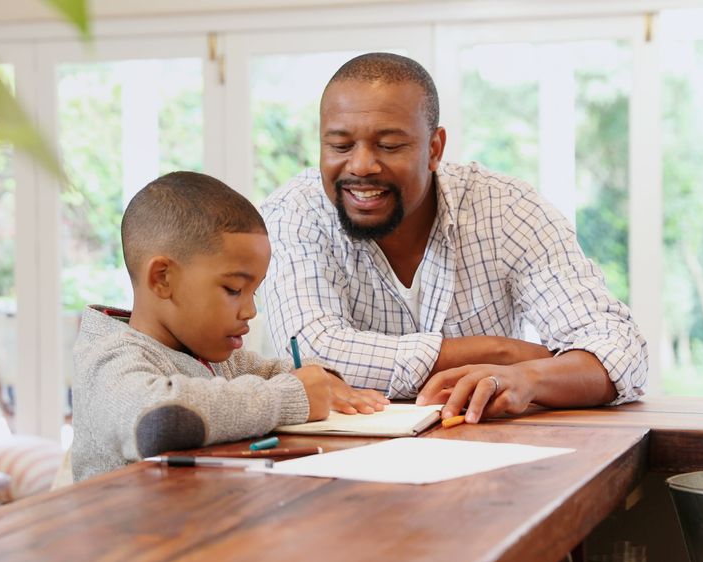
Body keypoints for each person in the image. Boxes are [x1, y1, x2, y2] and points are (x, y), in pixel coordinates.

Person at [260, 53, 648, 426]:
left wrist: (529, 378)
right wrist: (505, 351)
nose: (361, 166)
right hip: (334, 462)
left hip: (486, 454)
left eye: (390, 146)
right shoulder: (293, 214)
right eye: (340, 146)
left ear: (434, 148)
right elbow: (313, 353)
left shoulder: (508, 210)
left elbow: (621, 353)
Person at [70, 171, 388, 481]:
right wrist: (290, 396)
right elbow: (161, 422)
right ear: (162, 278)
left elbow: (269, 373)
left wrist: (322, 379)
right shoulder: (110, 358)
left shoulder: (210, 355)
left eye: (254, 292)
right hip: (125, 532)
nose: (250, 310)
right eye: (234, 290)